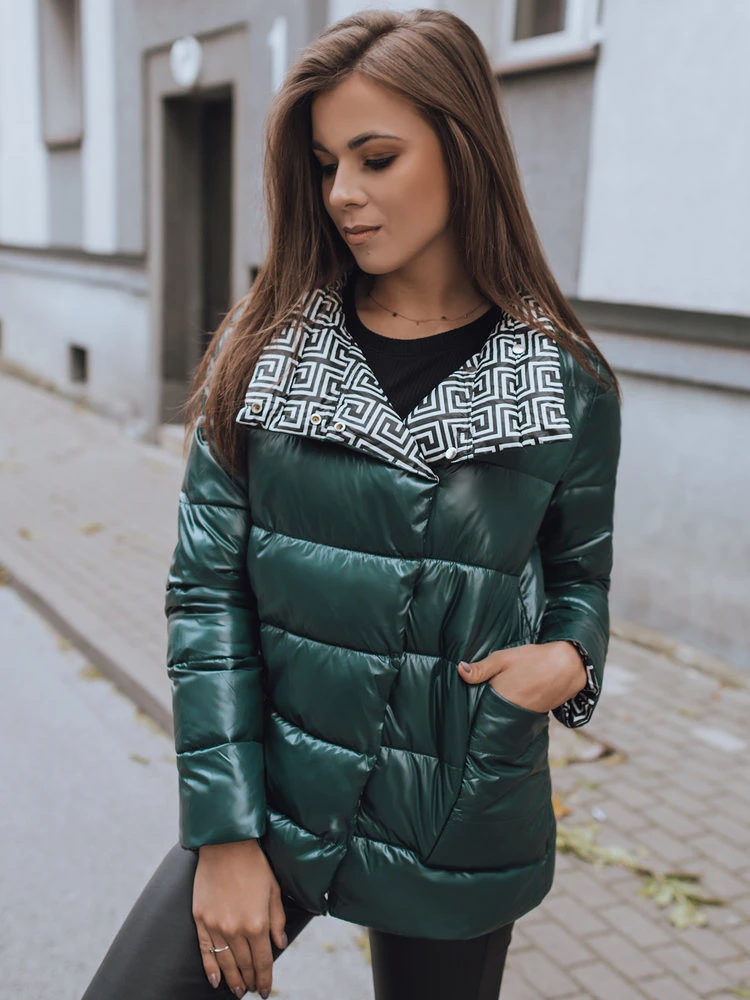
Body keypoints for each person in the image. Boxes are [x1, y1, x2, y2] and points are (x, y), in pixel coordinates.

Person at [81, 8, 621, 1000]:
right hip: (276, 801)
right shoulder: (262, 349)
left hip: (454, 810)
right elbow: (206, 596)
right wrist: (225, 832)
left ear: (463, 148)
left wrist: (568, 659)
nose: (341, 194)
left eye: (376, 158)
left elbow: (581, 576)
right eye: (327, 164)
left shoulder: (564, 382)